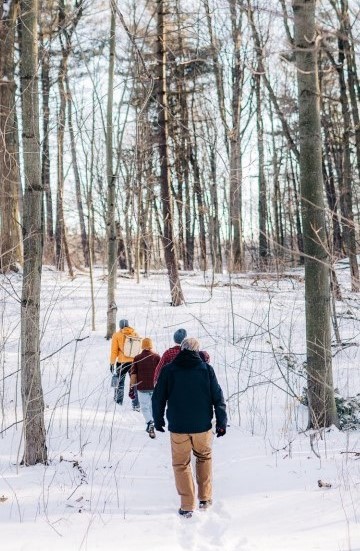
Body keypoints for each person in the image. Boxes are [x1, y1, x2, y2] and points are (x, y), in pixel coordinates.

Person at [152, 337, 227, 518]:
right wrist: (222, 421)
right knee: (204, 457)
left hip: (178, 427)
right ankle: (205, 498)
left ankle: (187, 505)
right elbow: (218, 397)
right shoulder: (207, 370)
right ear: (197, 351)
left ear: (181, 350)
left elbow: (158, 397)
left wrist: (158, 419)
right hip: (202, 426)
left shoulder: (169, 370)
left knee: (181, 464)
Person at [130, 338, 160, 439]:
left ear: (142, 346)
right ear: (151, 345)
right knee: (152, 406)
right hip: (154, 387)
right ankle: (152, 422)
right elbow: (161, 373)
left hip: (142, 387)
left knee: (144, 406)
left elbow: (133, 374)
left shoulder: (137, 358)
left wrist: (131, 387)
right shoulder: (156, 357)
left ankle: (149, 422)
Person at [110, 319, 140, 411]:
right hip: (134, 362)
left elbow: (114, 351)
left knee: (120, 383)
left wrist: (112, 363)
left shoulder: (116, 335)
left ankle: (118, 402)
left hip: (122, 363)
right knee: (134, 383)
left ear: (120, 326)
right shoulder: (135, 334)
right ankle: (136, 404)